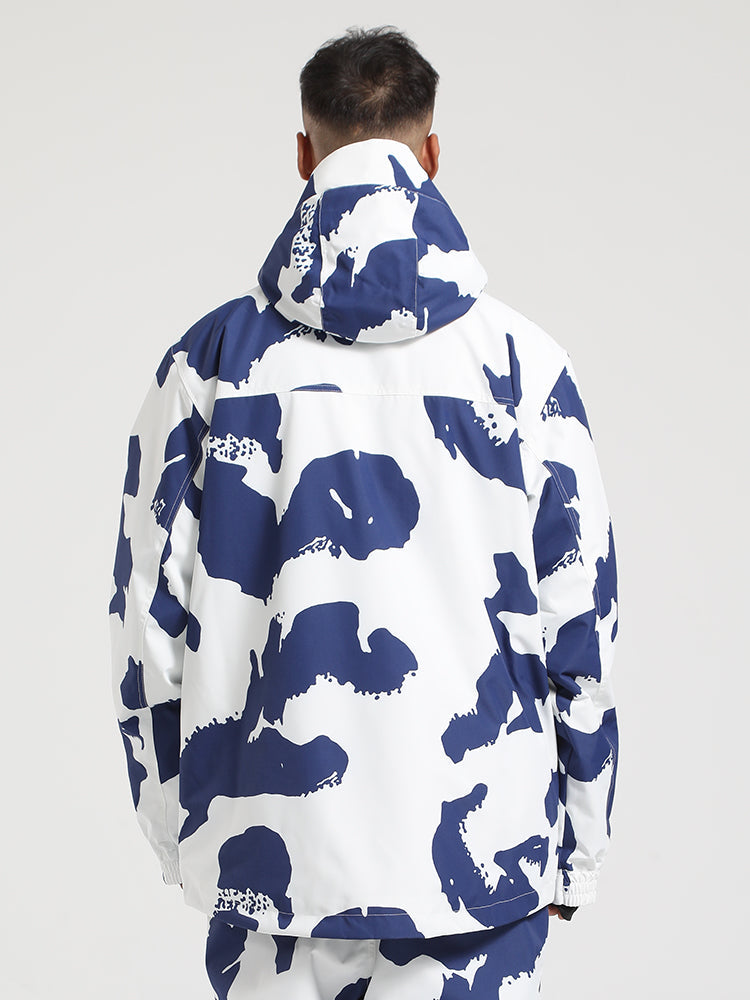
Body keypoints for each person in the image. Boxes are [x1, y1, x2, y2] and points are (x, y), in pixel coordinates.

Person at [109, 25, 619, 999]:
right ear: (433, 154)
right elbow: (580, 626)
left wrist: (181, 833)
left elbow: (146, 625)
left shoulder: (208, 366)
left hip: (267, 866)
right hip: (481, 871)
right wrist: (577, 844)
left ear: (304, 154)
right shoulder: (525, 370)